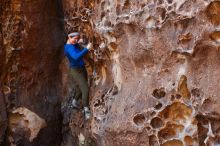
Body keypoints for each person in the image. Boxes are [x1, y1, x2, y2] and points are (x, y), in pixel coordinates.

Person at [64, 32, 92, 120]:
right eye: (74, 38)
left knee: (80, 89)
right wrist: (86, 49)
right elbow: (76, 57)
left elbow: (76, 44)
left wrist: (78, 42)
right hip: (75, 70)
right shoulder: (68, 48)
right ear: (69, 37)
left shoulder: (73, 43)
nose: (76, 40)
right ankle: (86, 109)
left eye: (77, 38)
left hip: (82, 68)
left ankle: (74, 102)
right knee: (85, 89)